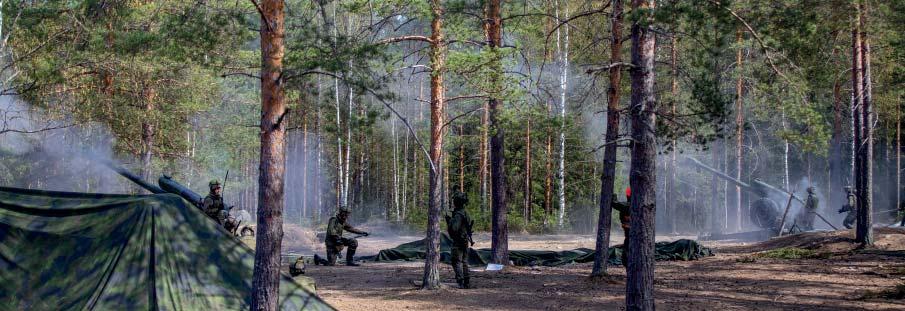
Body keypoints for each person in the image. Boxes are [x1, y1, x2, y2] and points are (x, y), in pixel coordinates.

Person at [445, 191, 474, 289]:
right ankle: (467, 281)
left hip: (459, 241)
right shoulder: (465, 213)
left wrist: (449, 221)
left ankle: (460, 281)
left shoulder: (458, 215)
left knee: (456, 261)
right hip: (465, 240)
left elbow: (454, 228)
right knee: (465, 262)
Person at [613, 189, 631, 266]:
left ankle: (627, 264)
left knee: (627, 248)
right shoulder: (641, 204)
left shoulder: (626, 205)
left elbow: (614, 203)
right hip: (636, 233)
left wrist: (613, 195)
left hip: (630, 233)